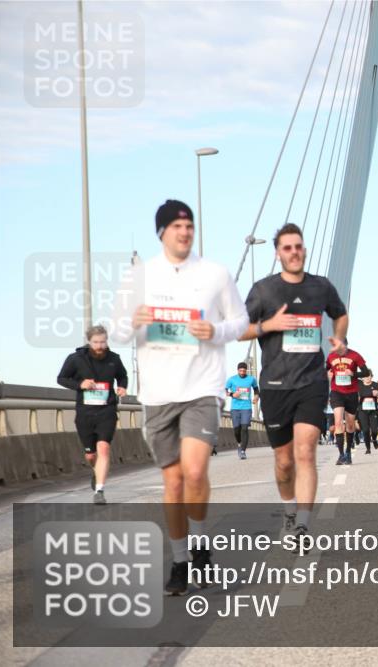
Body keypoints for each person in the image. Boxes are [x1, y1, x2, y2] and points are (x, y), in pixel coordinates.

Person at [111, 199, 248, 595]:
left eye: (189, 225)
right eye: (176, 226)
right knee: (172, 484)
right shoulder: (139, 277)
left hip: (202, 389)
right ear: (161, 233)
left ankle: (201, 544)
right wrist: (131, 322)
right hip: (157, 393)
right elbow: (118, 330)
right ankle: (180, 560)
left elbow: (239, 321)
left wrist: (216, 331)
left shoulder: (215, 274)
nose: (184, 231)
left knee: (194, 473)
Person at [240, 222, 348, 546]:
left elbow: (340, 314)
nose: (294, 252)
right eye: (287, 248)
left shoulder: (321, 287)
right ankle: (289, 511)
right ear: (278, 254)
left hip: (311, 381)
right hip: (274, 385)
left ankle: (302, 526)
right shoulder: (264, 290)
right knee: (284, 461)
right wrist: (268, 325)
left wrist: (339, 339)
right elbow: (237, 329)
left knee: (305, 451)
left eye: (298, 246)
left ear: (304, 249)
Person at [57, 325, 129, 504]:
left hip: (107, 410)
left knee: (104, 448)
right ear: (89, 342)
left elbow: (123, 376)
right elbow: (61, 378)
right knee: (91, 455)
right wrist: (80, 384)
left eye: (103, 342)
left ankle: (100, 491)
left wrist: (122, 386)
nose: (99, 346)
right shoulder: (76, 359)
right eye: (96, 342)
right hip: (85, 412)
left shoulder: (114, 359)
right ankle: (95, 470)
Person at [326, 342, 368, 464]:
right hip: (336, 393)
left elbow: (366, 372)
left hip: (351, 394)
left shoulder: (355, 355)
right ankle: (341, 455)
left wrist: (353, 374)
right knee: (338, 422)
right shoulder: (331, 356)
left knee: (350, 425)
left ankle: (348, 451)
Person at [225, 362, 259, 460]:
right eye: (240, 370)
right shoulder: (232, 379)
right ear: (238, 370)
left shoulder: (251, 379)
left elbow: (256, 389)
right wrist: (232, 394)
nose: (242, 372)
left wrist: (256, 397)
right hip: (235, 408)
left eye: (244, 370)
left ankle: (243, 451)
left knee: (244, 428)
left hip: (246, 407)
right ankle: (239, 444)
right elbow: (225, 390)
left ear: (246, 370)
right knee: (236, 429)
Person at [356, 370, 378, 454]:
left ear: (371, 376)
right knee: (366, 430)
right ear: (362, 378)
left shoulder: (375, 385)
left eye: (369, 376)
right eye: (365, 376)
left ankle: (374, 439)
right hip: (362, 411)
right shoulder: (359, 384)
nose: (367, 378)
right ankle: (368, 448)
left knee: (374, 430)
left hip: (373, 411)